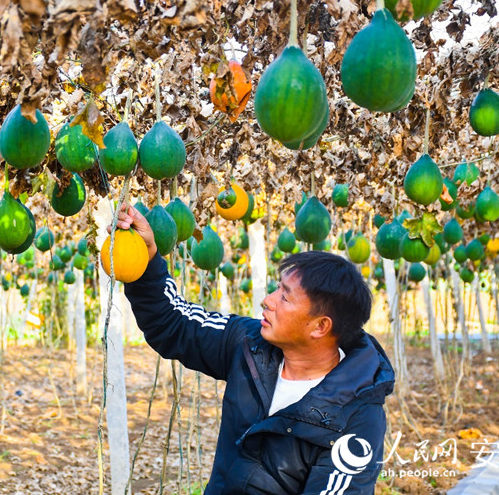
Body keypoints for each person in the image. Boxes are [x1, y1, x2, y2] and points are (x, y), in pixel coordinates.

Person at [113, 204, 395, 494]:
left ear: (320, 327)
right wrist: (148, 259)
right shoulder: (249, 344)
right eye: (276, 288)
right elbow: (175, 323)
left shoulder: (357, 419)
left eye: (284, 297)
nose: (267, 300)